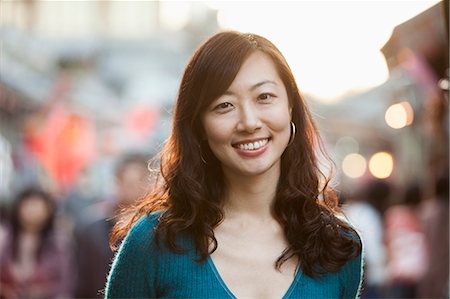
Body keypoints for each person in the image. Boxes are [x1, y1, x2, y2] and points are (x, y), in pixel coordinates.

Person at [105, 31, 363, 299]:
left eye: (264, 97)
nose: (249, 122)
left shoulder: (339, 246)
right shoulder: (153, 242)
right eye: (224, 105)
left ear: (290, 108)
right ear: (199, 126)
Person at [74, 153, 150, 298]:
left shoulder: (157, 226)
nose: (133, 188)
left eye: (138, 181)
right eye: (128, 182)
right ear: (117, 182)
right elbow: (82, 278)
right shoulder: (92, 226)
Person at [0, 186, 74, 298]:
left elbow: (66, 281)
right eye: (28, 205)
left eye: (38, 206)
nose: (33, 211)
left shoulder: (59, 242)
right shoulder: (4, 238)